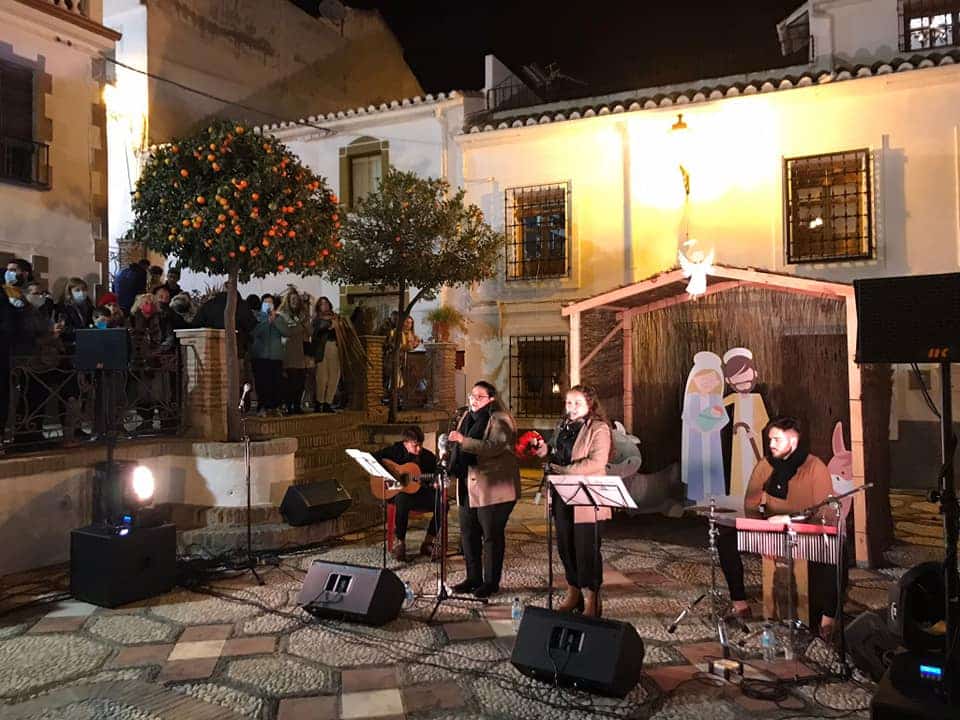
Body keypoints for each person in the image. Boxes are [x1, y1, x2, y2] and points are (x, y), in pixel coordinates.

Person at [717, 415, 844, 640]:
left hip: (806, 529)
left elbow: (824, 511)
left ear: (793, 441)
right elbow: (751, 503)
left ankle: (828, 618)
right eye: (770, 439)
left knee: (839, 549)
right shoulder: (765, 466)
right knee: (725, 538)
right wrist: (762, 528)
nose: (771, 444)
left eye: (777, 439)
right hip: (771, 527)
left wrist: (791, 520)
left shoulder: (815, 467)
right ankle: (739, 602)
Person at [534, 384, 613, 617]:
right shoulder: (562, 427)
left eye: (577, 403)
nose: (572, 407)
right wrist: (543, 451)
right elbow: (555, 451)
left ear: (590, 404)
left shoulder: (599, 429)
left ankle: (592, 598)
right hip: (561, 494)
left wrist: (564, 470)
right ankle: (574, 590)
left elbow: (597, 462)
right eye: (569, 402)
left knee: (586, 549)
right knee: (566, 546)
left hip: (587, 497)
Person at [447, 381, 520, 598]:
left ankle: (491, 582)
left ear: (491, 399)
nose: (473, 400)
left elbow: (495, 447)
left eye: (479, 397)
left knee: (491, 537)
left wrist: (463, 440)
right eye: (472, 396)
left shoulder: (500, 419)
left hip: (493, 489)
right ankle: (473, 578)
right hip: (468, 486)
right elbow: (458, 447)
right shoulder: (467, 417)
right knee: (468, 535)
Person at [374, 425, 443, 562]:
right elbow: (374, 458)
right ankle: (401, 542)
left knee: (443, 503)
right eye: (415, 445)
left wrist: (436, 482)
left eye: (421, 445)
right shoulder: (395, 451)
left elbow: (439, 472)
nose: (419, 449)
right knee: (402, 498)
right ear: (405, 443)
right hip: (396, 494)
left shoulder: (427, 457)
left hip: (419, 493)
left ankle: (428, 542)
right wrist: (391, 474)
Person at [275, 289, 311, 414]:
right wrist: (301, 326)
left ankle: (297, 405)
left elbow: (310, 331)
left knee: (300, 382)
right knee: (291, 382)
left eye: (297, 299)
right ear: (288, 301)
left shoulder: (302, 315)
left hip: (301, 353)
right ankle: (288, 405)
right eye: (293, 300)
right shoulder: (282, 315)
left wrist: (304, 323)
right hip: (288, 353)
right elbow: (287, 332)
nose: (295, 302)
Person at [250, 294, 286, 414]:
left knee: (275, 382)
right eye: (265, 302)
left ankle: (275, 406)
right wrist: (267, 322)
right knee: (261, 383)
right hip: (260, 355)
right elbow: (254, 332)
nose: (268, 305)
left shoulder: (279, 317)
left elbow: (286, 332)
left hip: (275, 356)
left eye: (270, 302)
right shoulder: (257, 317)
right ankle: (262, 406)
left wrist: (274, 320)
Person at [311, 296, 340, 413]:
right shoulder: (317, 319)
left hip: (334, 347)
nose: (325, 305)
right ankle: (319, 402)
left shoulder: (336, 317)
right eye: (322, 303)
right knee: (322, 377)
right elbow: (316, 330)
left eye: (326, 303)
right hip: (321, 348)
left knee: (334, 375)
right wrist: (329, 324)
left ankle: (328, 402)